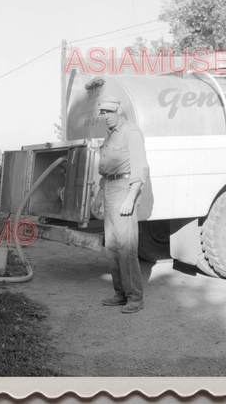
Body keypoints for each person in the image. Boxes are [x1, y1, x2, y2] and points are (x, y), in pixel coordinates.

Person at [91, 95, 149, 314]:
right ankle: (120, 294)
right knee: (112, 247)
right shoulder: (110, 135)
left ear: (119, 111)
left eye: (109, 112)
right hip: (110, 189)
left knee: (127, 248)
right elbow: (106, 171)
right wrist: (98, 198)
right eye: (102, 113)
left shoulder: (131, 133)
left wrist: (130, 197)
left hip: (125, 189)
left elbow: (139, 170)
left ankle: (135, 298)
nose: (105, 117)